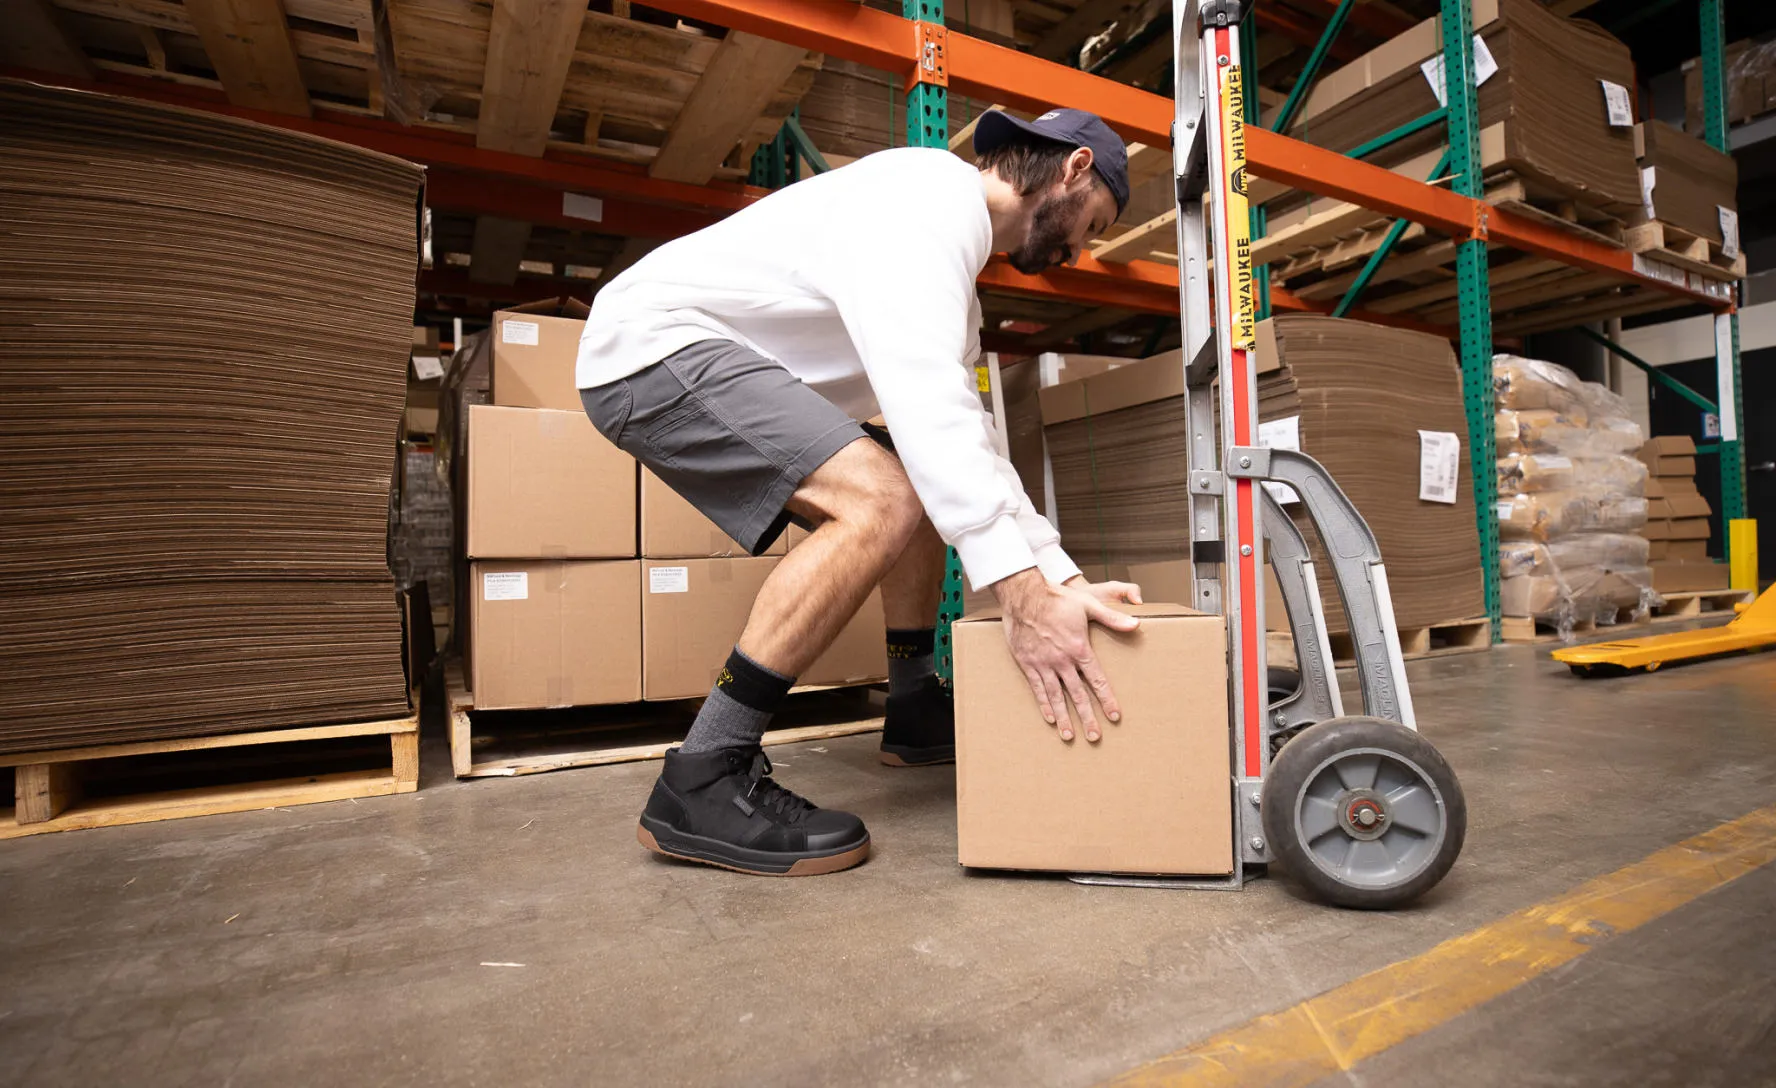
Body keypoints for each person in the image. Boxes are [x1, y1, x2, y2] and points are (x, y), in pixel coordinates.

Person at [578, 107, 1145, 877]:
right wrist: (1020, 593)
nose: (1082, 251)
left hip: (704, 354)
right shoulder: (924, 207)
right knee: (881, 499)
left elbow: (966, 440)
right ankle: (704, 774)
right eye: (1095, 225)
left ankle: (912, 706)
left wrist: (1059, 576)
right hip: (651, 347)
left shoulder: (954, 267)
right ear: (1074, 170)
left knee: (915, 472)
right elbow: (930, 411)